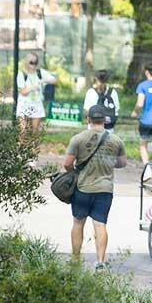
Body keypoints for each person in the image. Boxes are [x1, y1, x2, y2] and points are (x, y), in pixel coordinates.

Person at [62, 105, 128, 270]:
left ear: (88, 120)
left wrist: (75, 173)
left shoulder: (78, 139)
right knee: (100, 225)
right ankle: (100, 262)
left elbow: (67, 164)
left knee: (78, 223)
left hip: (82, 188)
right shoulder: (116, 140)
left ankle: (76, 260)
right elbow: (122, 163)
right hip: (105, 190)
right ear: (105, 120)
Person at [15, 52, 56, 134]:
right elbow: (23, 92)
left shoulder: (40, 72)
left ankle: (33, 146)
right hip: (24, 104)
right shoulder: (22, 74)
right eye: (31, 62)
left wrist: (44, 80)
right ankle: (22, 147)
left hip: (36, 103)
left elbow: (54, 80)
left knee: (35, 132)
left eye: (35, 62)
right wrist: (33, 87)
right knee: (23, 132)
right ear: (26, 62)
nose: (33, 65)